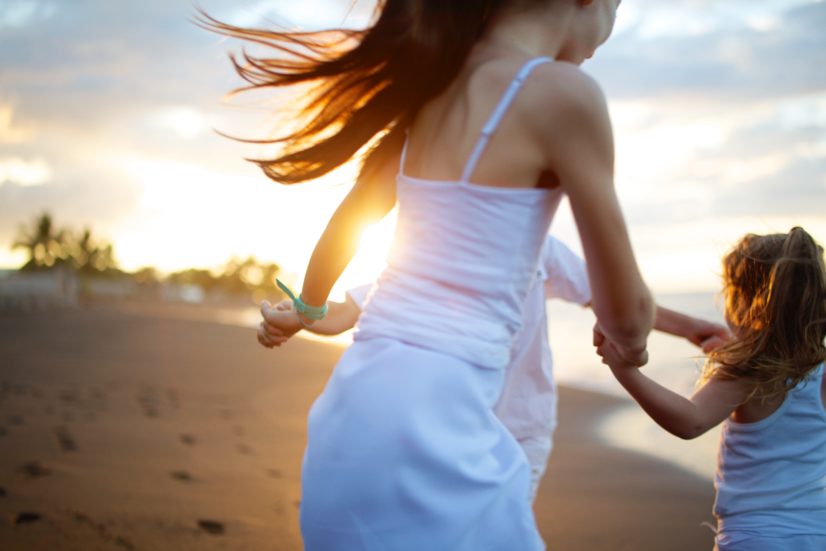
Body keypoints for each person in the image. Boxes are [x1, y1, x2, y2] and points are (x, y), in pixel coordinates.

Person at [211, 0, 653, 548]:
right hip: (434, 431)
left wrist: (307, 310)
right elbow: (628, 312)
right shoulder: (562, 93)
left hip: (349, 416)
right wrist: (632, 346)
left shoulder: (430, 90)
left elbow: (345, 225)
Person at [260, 235, 730, 503]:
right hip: (445, 430)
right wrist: (299, 318)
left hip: (521, 428)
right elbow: (345, 312)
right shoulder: (423, 244)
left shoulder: (536, 243)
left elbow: (615, 300)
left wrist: (694, 328)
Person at [598, 227, 826, 551]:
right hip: (816, 531)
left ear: (747, 301)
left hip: (756, 536)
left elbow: (690, 421)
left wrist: (624, 370)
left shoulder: (750, 371)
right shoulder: (818, 370)